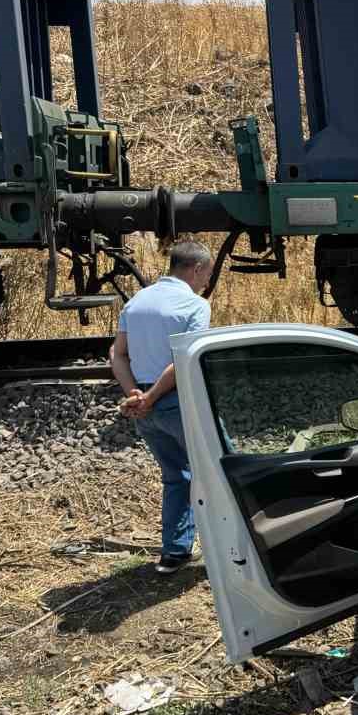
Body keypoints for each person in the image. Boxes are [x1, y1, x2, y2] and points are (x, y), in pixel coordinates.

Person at [109, 241, 214, 574]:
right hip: (176, 403)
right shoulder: (194, 305)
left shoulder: (137, 301)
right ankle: (232, 552)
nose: (206, 283)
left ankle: (174, 554)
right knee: (218, 472)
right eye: (206, 275)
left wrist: (134, 396)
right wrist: (151, 397)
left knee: (176, 477)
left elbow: (117, 354)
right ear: (196, 269)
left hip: (146, 411)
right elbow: (182, 362)